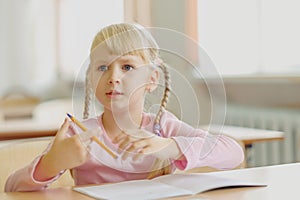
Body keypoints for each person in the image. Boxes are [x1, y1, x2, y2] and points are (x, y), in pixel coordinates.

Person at [5, 23, 244, 192]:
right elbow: (11, 188)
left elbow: (233, 153)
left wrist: (171, 147)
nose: (113, 77)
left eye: (127, 67)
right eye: (102, 67)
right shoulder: (77, 135)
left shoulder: (163, 128)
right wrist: (51, 164)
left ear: (152, 79)